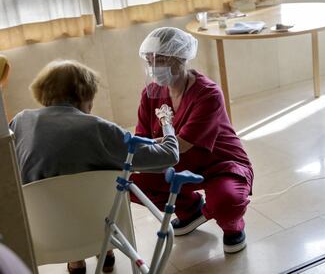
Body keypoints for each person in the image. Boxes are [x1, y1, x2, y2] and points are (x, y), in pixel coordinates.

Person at [9, 59, 178, 274]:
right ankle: (106, 249)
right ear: (85, 94)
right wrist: (166, 123)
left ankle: (76, 261)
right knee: (103, 168)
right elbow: (169, 155)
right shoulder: (100, 128)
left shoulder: (20, 122)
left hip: (46, 236)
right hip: (102, 229)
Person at [130, 27, 254, 254]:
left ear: (181, 58)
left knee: (226, 201)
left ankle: (232, 225)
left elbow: (182, 144)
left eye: (161, 60)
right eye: (150, 62)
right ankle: (190, 210)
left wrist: (140, 148)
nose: (154, 68)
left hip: (219, 162)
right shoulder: (151, 94)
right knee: (131, 183)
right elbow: (141, 137)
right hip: (178, 163)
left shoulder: (208, 93)